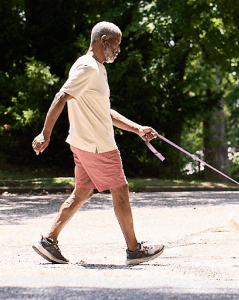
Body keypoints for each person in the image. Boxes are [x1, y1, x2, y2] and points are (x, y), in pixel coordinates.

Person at [31, 21, 164, 265]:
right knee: (121, 191)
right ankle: (134, 250)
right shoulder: (88, 67)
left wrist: (137, 129)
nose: (119, 49)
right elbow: (61, 96)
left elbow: (104, 112)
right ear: (104, 41)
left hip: (85, 144)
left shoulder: (97, 69)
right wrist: (45, 133)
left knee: (82, 192)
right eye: (117, 44)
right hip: (97, 146)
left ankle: (49, 241)